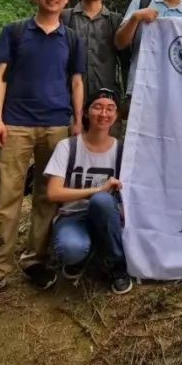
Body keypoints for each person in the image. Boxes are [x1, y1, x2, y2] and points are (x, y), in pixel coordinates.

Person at [0, 0, 86, 302]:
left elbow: (77, 81)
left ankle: (35, 259)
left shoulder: (72, 38)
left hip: (57, 125)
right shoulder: (16, 31)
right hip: (17, 124)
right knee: (6, 196)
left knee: (48, 196)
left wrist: (77, 121)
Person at [44, 88, 132, 294]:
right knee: (71, 249)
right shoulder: (68, 146)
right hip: (72, 216)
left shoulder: (122, 151)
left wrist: (102, 194)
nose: (104, 114)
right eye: (98, 107)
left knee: (102, 201)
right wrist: (96, 189)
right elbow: (53, 193)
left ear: (116, 115)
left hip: (108, 216)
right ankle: (85, 255)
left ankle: (116, 267)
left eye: (110, 109)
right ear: (85, 112)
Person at [61, 0, 125, 98]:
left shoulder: (116, 20)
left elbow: (125, 62)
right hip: (68, 97)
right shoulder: (64, 17)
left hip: (106, 102)